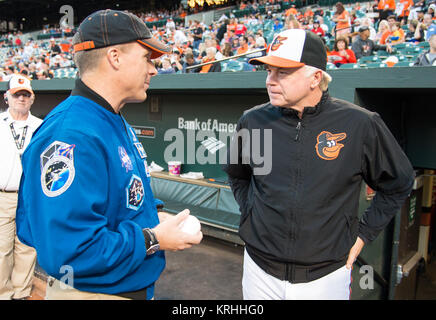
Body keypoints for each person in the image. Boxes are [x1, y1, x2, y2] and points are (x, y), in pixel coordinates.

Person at [15, 9, 202, 300]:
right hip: (87, 293)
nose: (153, 68)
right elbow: (68, 252)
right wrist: (152, 239)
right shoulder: (71, 134)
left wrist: (156, 217)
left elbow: (121, 198)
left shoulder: (108, 116)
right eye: (146, 57)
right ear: (114, 57)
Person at [223, 29, 414, 300]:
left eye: (283, 72)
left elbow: (399, 182)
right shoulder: (253, 120)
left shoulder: (360, 123)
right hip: (259, 270)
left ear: (315, 77)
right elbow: (237, 174)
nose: (270, 81)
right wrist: (251, 212)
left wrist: (363, 235)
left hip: (324, 278)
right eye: (268, 71)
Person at [0, 74, 42, 300]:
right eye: (17, 94)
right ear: (7, 97)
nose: (21, 99)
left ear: (32, 98)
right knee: (2, 249)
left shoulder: (41, 126)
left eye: (26, 94)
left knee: (27, 246)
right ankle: (4, 294)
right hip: (3, 196)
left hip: (29, 197)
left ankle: (21, 293)